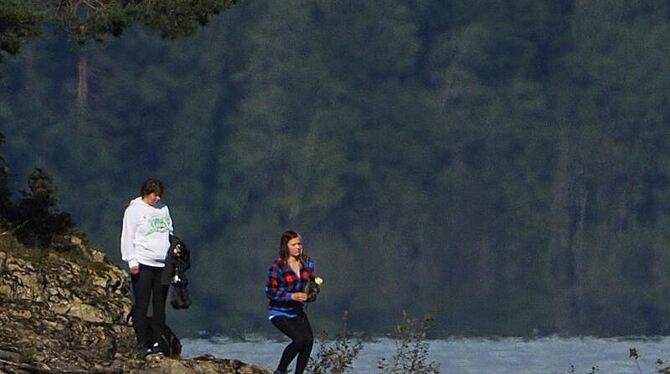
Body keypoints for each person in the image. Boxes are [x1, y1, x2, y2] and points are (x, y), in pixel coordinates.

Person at [120, 178, 173, 355]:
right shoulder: (134, 210)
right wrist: (131, 261)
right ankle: (142, 343)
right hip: (143, 262)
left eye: (159, 195)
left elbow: (170, 232)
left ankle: (158, 343)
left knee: (159, 305)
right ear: (146, 193)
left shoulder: (163, 209)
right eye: (154, 195)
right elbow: (127, 236)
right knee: (142, 303)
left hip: (162, 264)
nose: (157, 199)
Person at [265, 230, 317, 374]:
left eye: (299, 244)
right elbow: (270, 292)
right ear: (286, 246)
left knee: (308, 341)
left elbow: (312, 286)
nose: (297, 247)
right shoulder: (278, 266)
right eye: (293, 244)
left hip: (297, 312)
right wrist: (291, 296)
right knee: (299, 339)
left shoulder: (307, 263)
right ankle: (280, 371)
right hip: (279, 312)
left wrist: (310, 294)